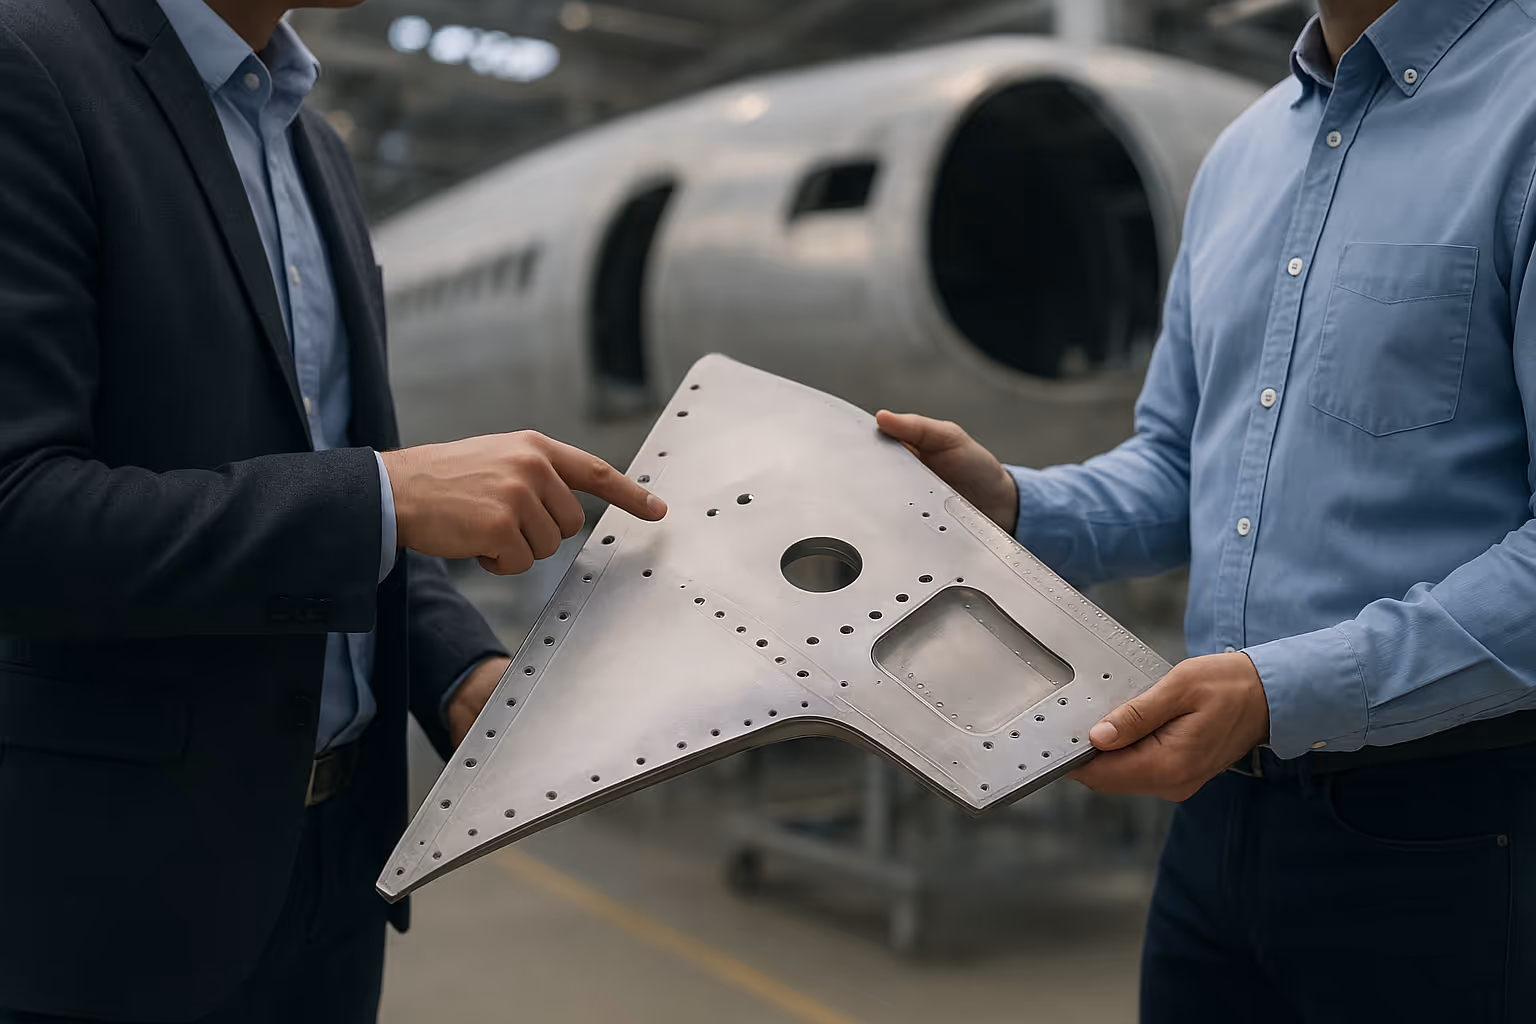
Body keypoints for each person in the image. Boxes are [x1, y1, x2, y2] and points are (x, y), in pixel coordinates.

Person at [0, 0, 666, 1021]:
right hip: (117, 900)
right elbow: (20, 515)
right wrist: (387, 492)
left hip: (334, 879)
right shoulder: (30, 64)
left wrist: (454, 667)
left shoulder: (314, 146)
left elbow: (336, 474)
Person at [881, 0, 1536, 1019]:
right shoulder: (1244, 155)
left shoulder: (1522, 111)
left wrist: (1279, 693)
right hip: (1216, 820)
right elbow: (1181, 468)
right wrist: (1010, 501)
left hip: (1454, 830)